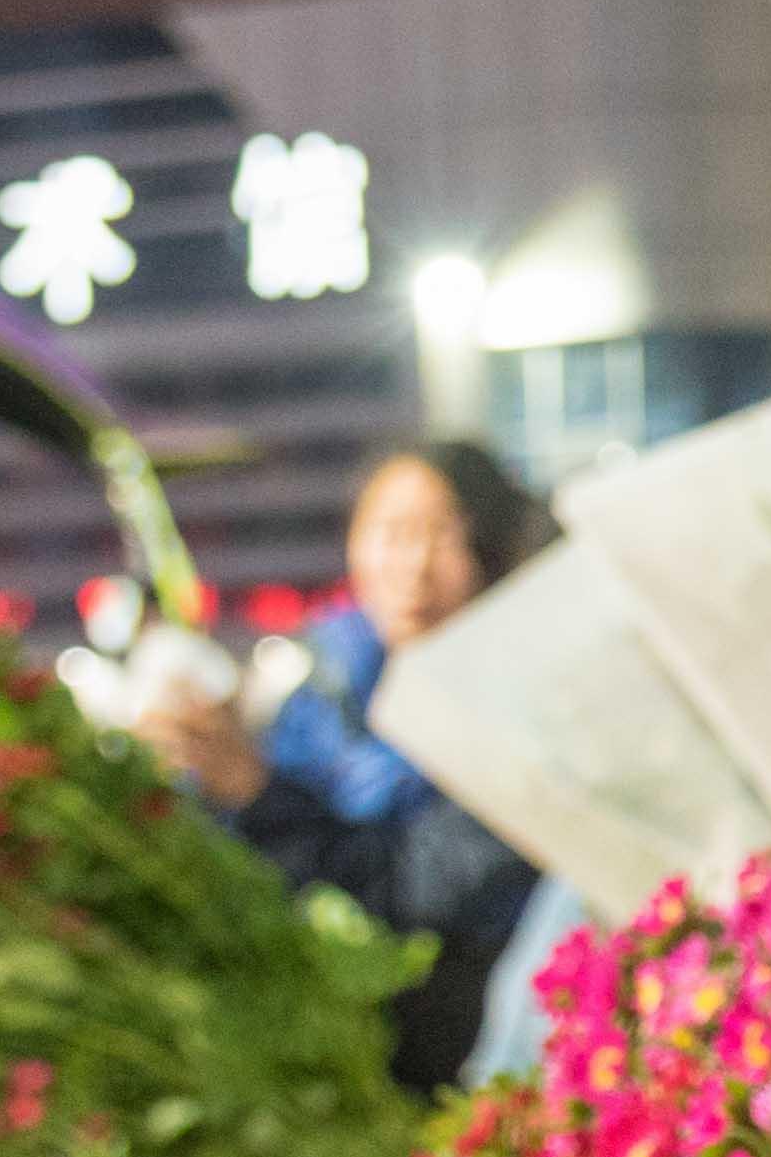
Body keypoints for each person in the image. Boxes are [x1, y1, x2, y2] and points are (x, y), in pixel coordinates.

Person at [139, 441, 559, 1090]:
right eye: (391, 534)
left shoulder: (527, 715)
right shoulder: (317, 689)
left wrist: (254, 794)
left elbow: (414, 893)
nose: (413, 566)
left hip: (462, 1055)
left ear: (495, 551)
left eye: (441, 536)